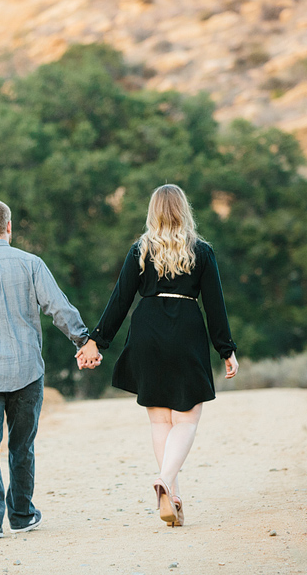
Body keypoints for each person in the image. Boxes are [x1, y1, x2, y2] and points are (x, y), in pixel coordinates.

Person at [0, 199, 102, 540]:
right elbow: (58, 307)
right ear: (9, 227)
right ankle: (20, 515)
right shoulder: (31, 264)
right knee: (21, 445)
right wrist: (83, 341)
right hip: (25, 371)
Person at [89, 184, 240, 527]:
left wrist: (99, 340)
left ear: (152, 212)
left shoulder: (139, 250)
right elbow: (215, 305)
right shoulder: (202, 251)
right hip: (186, 331)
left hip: (148, 330)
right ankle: (164, 480)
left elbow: (120, 300)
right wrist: (226, 350)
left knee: (160, 421)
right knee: (186, 420)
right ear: (184, 210)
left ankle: (170, 491)